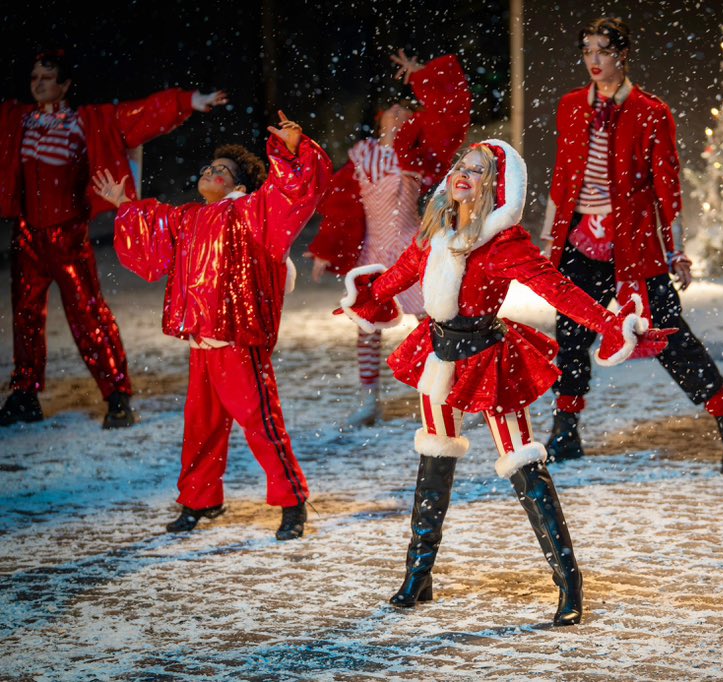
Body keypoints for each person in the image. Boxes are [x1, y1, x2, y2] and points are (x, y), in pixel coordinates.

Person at [337, 140, 673, 625]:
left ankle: (569, 583)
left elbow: (558, 290)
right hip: (438, 354)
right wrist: (366, 299)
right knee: (434, 460)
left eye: (478, 170)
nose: (464, 174)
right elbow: (401, 275)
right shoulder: (435, 232)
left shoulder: (504, 241)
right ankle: (417, 575)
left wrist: (610, 324)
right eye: (461, 165)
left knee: (524, 466)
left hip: (489, 359)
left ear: (495, 186)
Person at [92, 111, 331, 541]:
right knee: (200, 429)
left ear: (239, 185)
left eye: (222, 169)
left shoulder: (250, 212)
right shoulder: (188, 218)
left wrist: (294, 151)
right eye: (208, 166)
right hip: (201, 344)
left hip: (238, 342)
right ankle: (199, 499)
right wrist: (124, 205)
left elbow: (292, 192)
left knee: (261, 425)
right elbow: (153, 234)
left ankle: (291, 500)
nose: (210, 171)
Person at [540, 17, 723, 475]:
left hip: (633, 246)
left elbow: (666, 188)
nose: (594, 60)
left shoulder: (650, 111)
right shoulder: (571, 106)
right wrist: (548, 240)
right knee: (571, 337)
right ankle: (565, 429)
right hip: (579, 241)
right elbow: (562, 176)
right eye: (587, 51)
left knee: (670, 336)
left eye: (603, 50)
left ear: (622, 55)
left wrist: (676, 251)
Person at [0, 49, 227, 428]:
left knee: (88, 314)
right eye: (35, 77)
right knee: (24, 315)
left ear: (65, 85)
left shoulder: (85, 122)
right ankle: (24, 393)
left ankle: (117, 394)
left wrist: (187, 101)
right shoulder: (17, 119)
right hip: (27, 234)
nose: (38, 84)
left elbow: (137, 115)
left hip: (67, 233)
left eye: (47, 77)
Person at [308, 50, 471, 427]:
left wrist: (424, 77)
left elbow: (451, 114)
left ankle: (457, 393)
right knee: (366, 325)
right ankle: (369, 400)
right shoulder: (363, 158)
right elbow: (342, 207)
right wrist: (325, 249)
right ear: (379, 118)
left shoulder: (419, 156)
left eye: (406, 111)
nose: (399, 114)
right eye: (392, 110)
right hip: (374, 253)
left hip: (412, 248)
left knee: (433, 321)